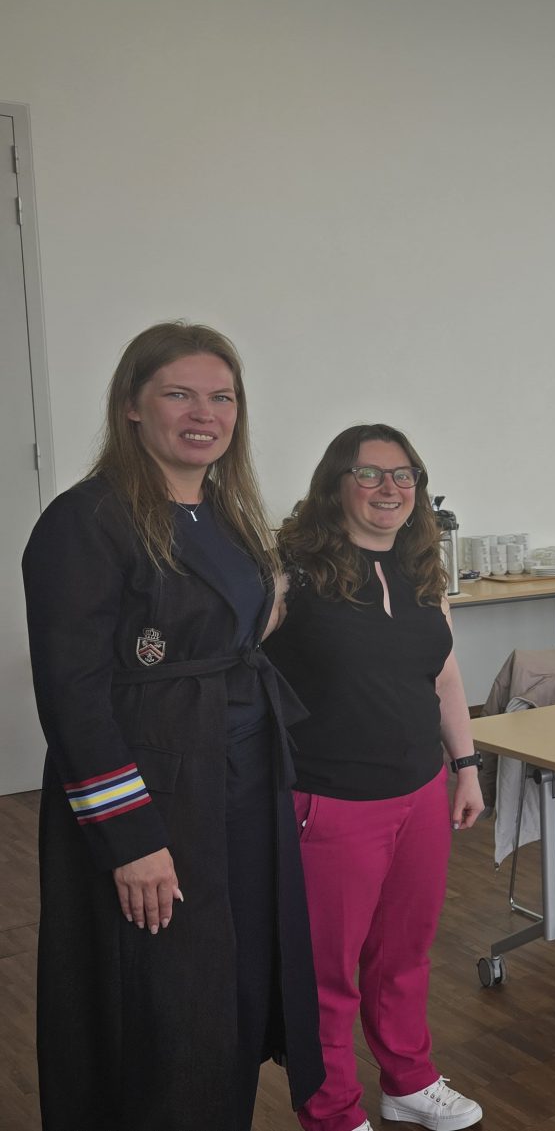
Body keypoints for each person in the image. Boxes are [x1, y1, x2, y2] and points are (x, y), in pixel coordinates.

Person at [21, 322, 322, 1130]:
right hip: (156, 792)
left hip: (240, 783)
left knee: (234, 985)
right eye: (179, 394)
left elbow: (231, 629)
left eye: (222, 397)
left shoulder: (225, 512)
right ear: (132, 404)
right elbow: (72, 694)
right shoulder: (86, 520)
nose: (204, 413)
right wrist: (131, 838)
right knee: (166, 1000)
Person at [266, 425, 487, 1131]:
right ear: (336, 485)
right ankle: (331, 1110)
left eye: (403, 475)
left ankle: (408, 1080)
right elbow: (232, 668)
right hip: (330, 801)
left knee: (404, 954)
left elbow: (443, 676)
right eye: (369, 473)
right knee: (327, 971)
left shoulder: (424, 574)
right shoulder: (292, 577)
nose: (389, 488)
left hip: (420, 792)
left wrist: (466, 766)